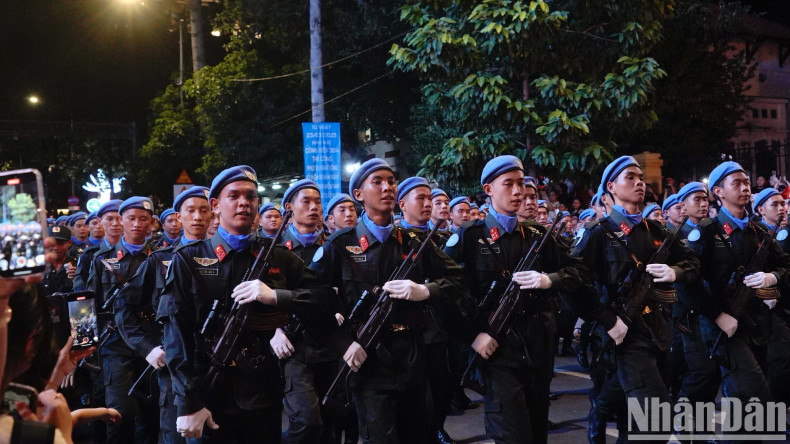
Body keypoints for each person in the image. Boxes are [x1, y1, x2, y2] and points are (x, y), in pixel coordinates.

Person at [159, 166, 333, 442]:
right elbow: (175, 337)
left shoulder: (278, 256)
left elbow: (324, 299)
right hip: (207, 395)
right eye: (234, 196)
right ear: (215, 205)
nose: (244, 203)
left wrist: (277, 297)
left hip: (262, 394)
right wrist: (189, 402)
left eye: (251, 197)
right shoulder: (188, 259)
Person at [310, 159, 464, 444]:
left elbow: (457, 279)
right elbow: (312, 302)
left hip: (413, 358)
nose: (387, 188)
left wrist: (425, 290)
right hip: (368, 362)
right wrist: (344, 344)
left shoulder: (416, 240)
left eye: (391, 181)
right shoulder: (341, 245)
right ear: (358, 194)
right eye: (377, 182)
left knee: (419, 435)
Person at [444, 156, 590, 443]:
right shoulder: (469, 237)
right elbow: (444, 294)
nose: (517, 191)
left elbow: (580, 269)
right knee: (512, 433)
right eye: (508, 184)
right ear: (488, 189)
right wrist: (473, 336)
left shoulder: (538, 235)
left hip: (538, 342)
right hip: (497, 347)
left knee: (537, 431)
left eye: (521, 183)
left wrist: (551, 280)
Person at [571, 156, 700, 439]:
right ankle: (601, 410)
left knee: (636, 420)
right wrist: (607, 320)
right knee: (657, 419)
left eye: (641, 177)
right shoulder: (598, 234)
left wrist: (673, 271)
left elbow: (692, 263)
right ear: (611, 188)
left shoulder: (657, 231)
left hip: (658, 330)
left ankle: (601, 409)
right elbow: (573, 284)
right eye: (630, 177)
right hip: (623, 334)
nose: (639, 182)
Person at [687, 162, 790, 435]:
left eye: (747, 182)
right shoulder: (706, 232)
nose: (745, 188)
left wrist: (773, 278)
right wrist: (718, 315)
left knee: (746, 409)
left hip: (757, 325)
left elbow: (786, 267)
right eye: (737, 183)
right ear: (718, 191)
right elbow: (688, 283)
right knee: (757, 398)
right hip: (723, 328)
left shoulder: (760, 232)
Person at [115, 186, 212, 444]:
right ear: (178, 217)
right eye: (190, 211)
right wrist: (147, 348)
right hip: (173, 367)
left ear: (214, 213)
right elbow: (124, 307)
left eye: (204, 210)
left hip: (215, 366)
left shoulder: (224, 258)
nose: (198, 217)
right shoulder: (160, 260)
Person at [87, 196, 159, 444]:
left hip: (151, 344)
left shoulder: (161, 257)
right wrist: (83, 347)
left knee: (151, 415)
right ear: (121, 220)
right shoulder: (102, 259)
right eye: (131, 218)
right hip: (115, 345)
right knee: (119, 415)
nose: (137, 224)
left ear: (152, 223)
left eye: (143, 219)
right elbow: (87, 306)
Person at [397, 176, 457, 444]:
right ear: (403, 205)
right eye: (419, 199)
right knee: (418, 392)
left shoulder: (443, 237)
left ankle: (437, 427)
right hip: (410, 327)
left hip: (443, 321)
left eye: (429, 199)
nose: (427, 204)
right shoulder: (397, 237)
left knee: (443, 382)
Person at [753, 187, 790, 404]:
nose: (781, 209)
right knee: (779, 360)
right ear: (760, 209)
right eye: (774, 205)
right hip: (768, 308)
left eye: (782, 204)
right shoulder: (756, 233)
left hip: (785, 304)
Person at [73, 200, 123, 292]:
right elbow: (80, 290)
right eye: (110, 219)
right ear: (101, 221)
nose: (115, 223)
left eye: (119, 219)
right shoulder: (90, 254)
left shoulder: (137, 252)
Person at [41, 226, 76, 296]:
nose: (56, 248)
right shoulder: (39, 266)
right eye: (52, 244)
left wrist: (77, 279)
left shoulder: (77, 264)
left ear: (69, 243)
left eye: (60, 244)